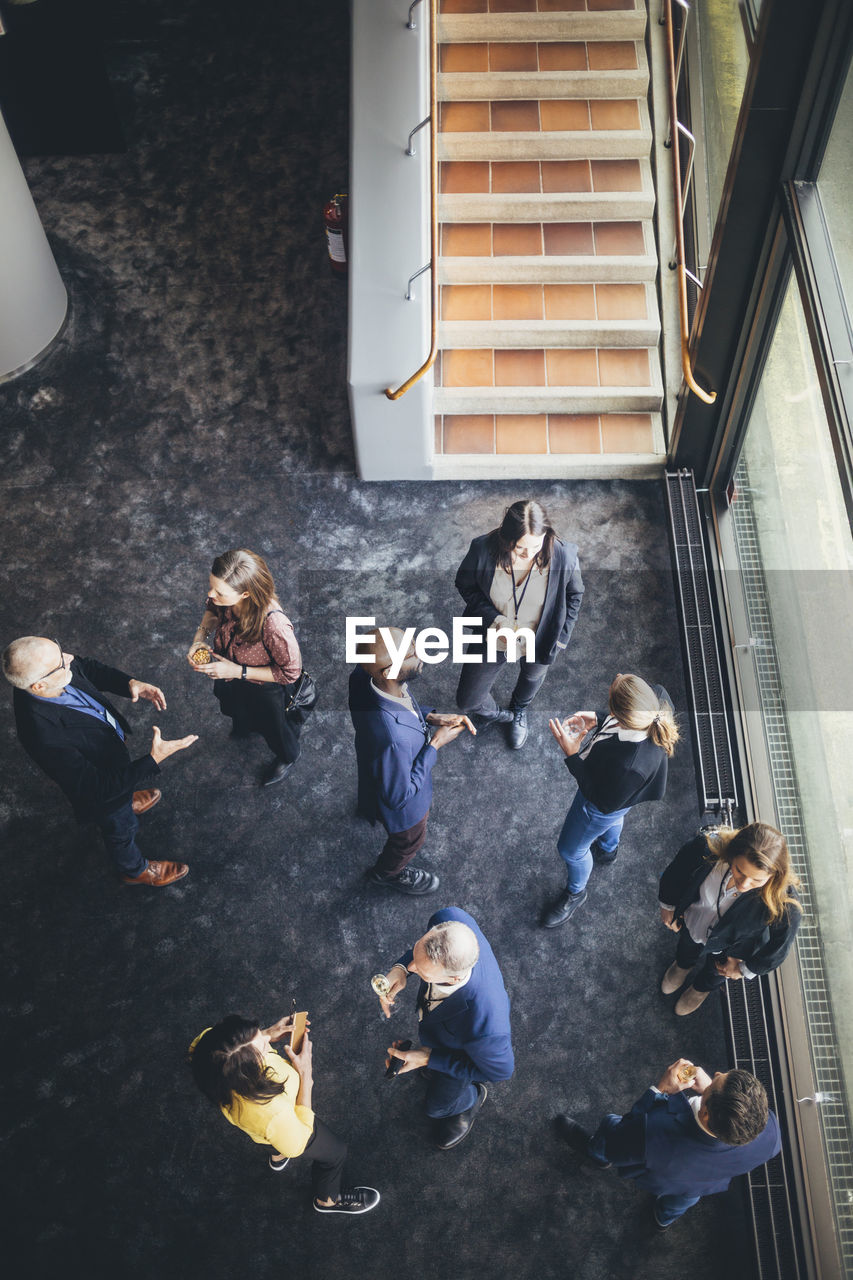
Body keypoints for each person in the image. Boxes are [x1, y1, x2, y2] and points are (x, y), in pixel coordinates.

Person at [3, 636, 197, 886]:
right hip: (105, 796)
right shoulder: (42, 735)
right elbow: (97, 789)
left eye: (60, 649)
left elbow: (87, 667)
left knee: (122, 795)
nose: (70, 658)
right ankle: (134, 870)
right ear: (39, 686)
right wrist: (153, 760)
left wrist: (130, 683)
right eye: (61, 662)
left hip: (110, 760)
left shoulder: (53, 672)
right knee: (121, 831)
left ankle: (127, 798)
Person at [555, 1057, 781, 1229]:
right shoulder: (770, 1133)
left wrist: (660, 1090)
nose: (718, 1072)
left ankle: (597, 1154)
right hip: (701, 1181)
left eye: (714, 1083)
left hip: (660, 1162)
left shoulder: (655, 1132)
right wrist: (709, 1092)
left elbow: (619, 1141)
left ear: (706, 1116)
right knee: (684, 1200)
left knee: (610, 1126)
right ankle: (662, 1219)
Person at [190, 1014, 379, 1216]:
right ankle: (327, 1201)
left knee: (269, 1140)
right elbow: (297, 1145)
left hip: (263, 1131)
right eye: (263, 1047)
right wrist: (306, 1075)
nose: (267, 1041)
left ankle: (277, 1156)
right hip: (287, 1127)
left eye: (258, 1033)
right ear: (247, 1073)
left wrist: (267, 1034)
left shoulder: (208, 1049)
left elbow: (229, 1048)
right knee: (336, 1153)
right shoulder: (272, 1114)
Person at [543, 673, 678, 928]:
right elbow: (614, 799)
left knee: (571, 850)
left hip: (602, 801)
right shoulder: (657, 698)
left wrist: (571, 754)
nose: (617, 675)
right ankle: (608, 849)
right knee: (616, 814)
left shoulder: (628, 767)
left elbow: (599, 799)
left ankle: (576, 892)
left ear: (622, 715)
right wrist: (599, 718)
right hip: (622, 796)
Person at [348, 628, 474, 895]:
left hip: (372, 764)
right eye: (411, 653)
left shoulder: (363, 677)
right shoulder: (394, 740)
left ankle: (369, 810)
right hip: (406, 810)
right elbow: (398, 796)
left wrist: (430, 717)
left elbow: (403, 707)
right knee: (408, 844)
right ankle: (386, 874)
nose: (421, 654)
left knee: (372, 797)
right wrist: (435, 744)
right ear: (387, 671)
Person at [375, 907, 514, 1150]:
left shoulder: (487, 1029)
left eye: (422, 971)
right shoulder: (449, 918)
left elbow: (499, 1073)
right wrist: (401, 968)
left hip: (461, 1054)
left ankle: (470, 1100)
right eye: (416, 960)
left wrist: (431, 1059)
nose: (414, 970)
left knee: (435, 1108)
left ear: (453, 979)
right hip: (444, 1033)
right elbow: (417, 958)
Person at [454, 499, 584, 749]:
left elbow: (575, 595)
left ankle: (519, 709)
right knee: (468, 700)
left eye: (535, 547)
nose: (528, 555)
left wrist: (560, 638)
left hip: (540, 637)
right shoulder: (482, 549)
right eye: (519, 548)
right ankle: (503, 716)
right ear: (506, 538)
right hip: (494, 635)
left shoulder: (564, 555)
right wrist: (495, 618)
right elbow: (465, 585)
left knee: (531, 678)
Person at [188, 549, 311, 788]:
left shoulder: (275, 626)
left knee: (277, 730)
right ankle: (244, 724)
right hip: (230, 673)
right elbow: (212, 611)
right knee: (236, 708)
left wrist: (238, 672)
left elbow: (289, 673)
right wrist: (199, 638)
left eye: (219, 592)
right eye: (211, 586)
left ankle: (288, 757)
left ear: (245, 593)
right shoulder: (222, 599)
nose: (210, 594)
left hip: (264, 687)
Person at [658, 821, 802, 1015]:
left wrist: (746, 968)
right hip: (695, 922)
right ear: (732, 854)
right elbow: (678, 870)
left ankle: (700, 989)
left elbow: (781, 945)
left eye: (757, 880)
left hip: (733, 948)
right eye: (739, 871)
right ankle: (682, 966)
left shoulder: (783, 900)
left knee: (715, 973)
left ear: (774, 875)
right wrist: (668, 905)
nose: (744, 884)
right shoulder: (707, 846)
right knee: (686, 946)